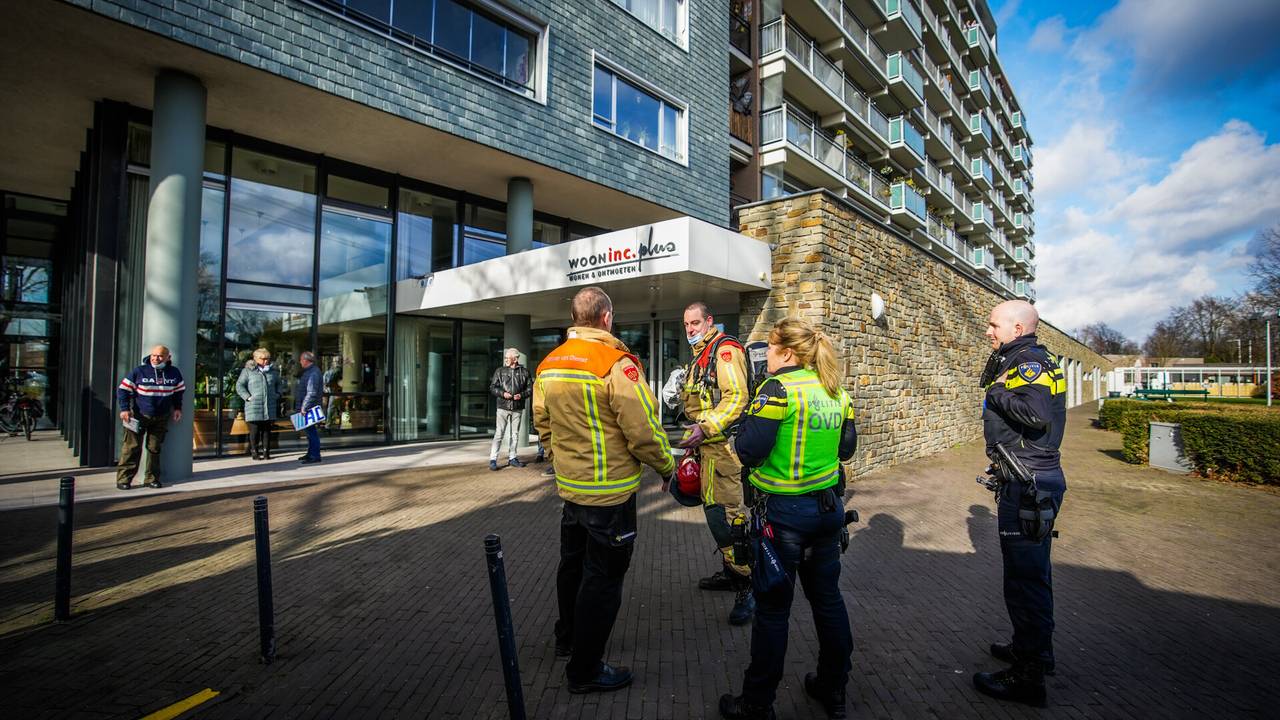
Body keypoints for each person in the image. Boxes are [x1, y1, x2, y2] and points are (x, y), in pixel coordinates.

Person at [533, 286, 676, 695]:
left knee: (572, 566)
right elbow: (644, 429)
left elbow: (543, 424)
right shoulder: (615, 364)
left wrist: (557, 460)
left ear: (576, 319)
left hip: (571, 491)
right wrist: (666, 467)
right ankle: (585, 669)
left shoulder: (549, 364)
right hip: (610, 495)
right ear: (606, 318)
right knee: (604, 579)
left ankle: (567, 639)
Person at [720, 318, 857, 720]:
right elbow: (846, 449)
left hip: (783, 518)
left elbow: (750, 449)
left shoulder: (777, 389)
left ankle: (757, 703)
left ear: (786, 352)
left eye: (771, 348)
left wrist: (739, 430)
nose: (766, 355)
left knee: (774, 612)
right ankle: (834, 689)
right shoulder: (836, 390)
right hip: (827, 512)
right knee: (828, 602)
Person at [972, 300, 1067, 708]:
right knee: (1032, 574)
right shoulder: (1023, 358)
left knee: (1024, 581)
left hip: (1029, 483)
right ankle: (1034, 652)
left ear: (1016, 327)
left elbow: (1036, 412)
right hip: (1028, 475)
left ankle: (1027, 678)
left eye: (994, 325)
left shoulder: (1029, 361)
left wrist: (996, 394)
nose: (989, 331)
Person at [676, 302, 754, 625]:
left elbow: (737, 398)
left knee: (728, 520)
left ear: (710, 321)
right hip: (708, 450)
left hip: (724, 451)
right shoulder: (700, 355)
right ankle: (730, 571)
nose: (691, 329)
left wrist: (705, 428)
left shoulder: (724, 351)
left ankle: (747, 587)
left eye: (696, 323)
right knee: (714, 514)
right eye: (686, 324)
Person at [115, 345, 186, 490]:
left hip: (161, 416)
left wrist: (177, 408)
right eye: (153, 355)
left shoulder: (174, 373)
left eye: (160, 356)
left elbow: (178, 392)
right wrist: (124, 409)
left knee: (154, 448)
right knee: (131, 447)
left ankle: (151, 478)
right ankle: (124, 479)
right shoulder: (139, 371)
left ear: (168, 357)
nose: (155, 358)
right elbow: (123, 390)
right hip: (139, 415)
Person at [489, 347, 532, 471]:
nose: (506, 360)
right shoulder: (500, 371)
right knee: (499, 433)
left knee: (515, 434)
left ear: (515, 359)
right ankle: (493, 459)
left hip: (517, 408)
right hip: (502, 407)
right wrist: (503, 394)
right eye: (506, 358)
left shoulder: (525, 372)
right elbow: (492, 387)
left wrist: (522, 395)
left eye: (508, 358)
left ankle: (513, 458)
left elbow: (530, 389)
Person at [236, 348, 282, 460]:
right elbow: (239, 385)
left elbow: (279, 385)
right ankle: (254, 452)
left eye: (267, 358)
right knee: (255, 431)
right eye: (263, 358)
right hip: (254, 406)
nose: (266, 361)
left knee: (266, 431)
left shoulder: (273, 372)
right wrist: (248, 397)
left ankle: (266, 452)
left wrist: (277, 395)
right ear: (255, 358)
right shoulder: (247, 371)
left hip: (269, 406)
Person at [297, 350, 324, 464]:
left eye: (301, 360)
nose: (300, 362)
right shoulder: (309, 371)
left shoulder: (313, 373)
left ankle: (315, 455)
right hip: (308, 406)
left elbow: (311, 392)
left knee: (311, 432)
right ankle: (310, 453)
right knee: (309, 432)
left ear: (306, 360)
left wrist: (304, 407)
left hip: (309, 408)